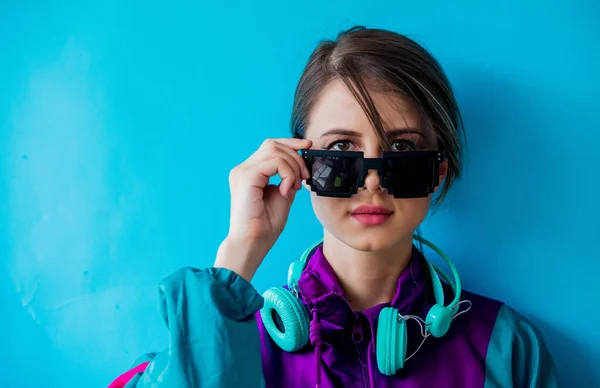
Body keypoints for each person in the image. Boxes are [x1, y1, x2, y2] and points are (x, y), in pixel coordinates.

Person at [108, 26, 560, 388]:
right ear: (302, 166)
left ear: (438, 170)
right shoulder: (235, 343)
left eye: (403, 149)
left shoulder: (505, 348)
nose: (372, 181)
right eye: (341, 149)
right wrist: (239, 254)